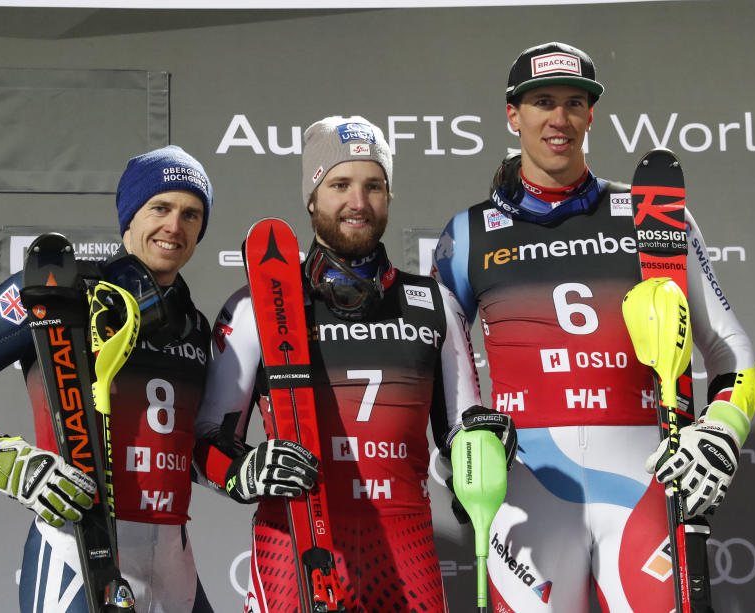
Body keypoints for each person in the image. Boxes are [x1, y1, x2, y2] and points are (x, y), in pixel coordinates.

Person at [431, 42, 755, 613]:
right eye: (542, 102)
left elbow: (730, 347)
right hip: (527, 489)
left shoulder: (653, 213)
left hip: (645, 479)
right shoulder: (465, 237)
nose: (559, 119)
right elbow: (446, 373)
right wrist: (458, 455)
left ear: (591, 114)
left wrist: (721, 431)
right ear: (513, 115)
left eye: (573, 103)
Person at [193, 115, 516, 613]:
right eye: (339, 184)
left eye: (374, 186)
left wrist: (482, 449)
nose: (358, 202)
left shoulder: (434, 304)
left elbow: (459, 435)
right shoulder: (261, 304)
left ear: (389, 196)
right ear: (312, 196)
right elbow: (202, 441)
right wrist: (243, 471)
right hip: (294, 544)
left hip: (406, 546)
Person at [0, 145, 217, 613]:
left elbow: (189, 446)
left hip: (174, 558)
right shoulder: (57, 294)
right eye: (160, 208)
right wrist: (2, 461)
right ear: (129, 216)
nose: (175, 226)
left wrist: (240, 470)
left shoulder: (194, 325)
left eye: (191, 214)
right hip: (76, 548)